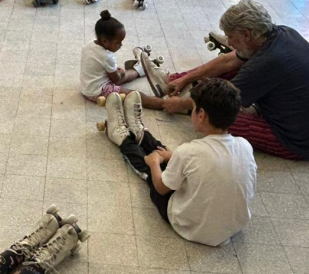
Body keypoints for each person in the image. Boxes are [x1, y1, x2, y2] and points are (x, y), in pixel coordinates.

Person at [165, 0, 309, 160]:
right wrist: (184, 78)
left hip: (299, 142)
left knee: (214, 117)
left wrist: (180, 105)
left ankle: (189, 102)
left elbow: (222, 97)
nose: (229, 42)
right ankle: (173, 82)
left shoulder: (268, 61)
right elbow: (228, 61)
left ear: (247, 34)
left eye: (231, 36)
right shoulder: (282, 32)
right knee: (236, 67)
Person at [99, 83, 256, 247]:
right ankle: (140, 133)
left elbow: (161, 188)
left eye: (193, 108)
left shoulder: (189, 152)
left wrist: (153, 164)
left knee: (153, 171)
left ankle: (123, 138)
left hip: (190, 227)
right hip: (231, 228)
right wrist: (172, 157)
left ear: (201, 114)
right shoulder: (245, 146)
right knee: (172, 157)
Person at [80, 11, 169, 107]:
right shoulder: (107, 57)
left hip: (86, 87)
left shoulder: (89, 44)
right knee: (135, 95)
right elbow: (116, 79)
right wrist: (122, 74)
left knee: (123, 74)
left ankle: (140, 69)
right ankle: (165, 104)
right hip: (98, 92)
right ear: (105, 40)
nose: (121, 45)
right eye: (118, 43)